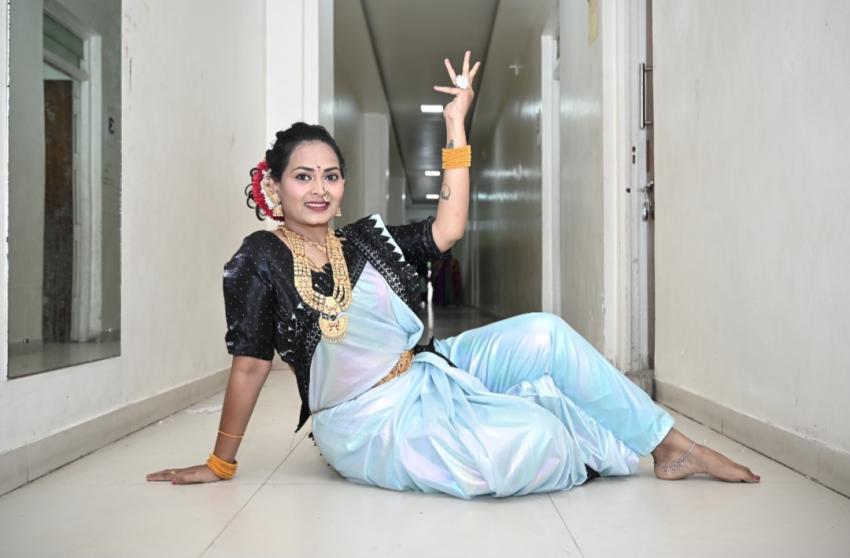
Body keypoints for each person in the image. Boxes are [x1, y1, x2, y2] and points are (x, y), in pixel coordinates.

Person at [148, 51, 758, 498]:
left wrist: (456, 125)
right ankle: (559, 431)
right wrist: (221, 463)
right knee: (534, 435)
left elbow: (449, 225)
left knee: (545, 333)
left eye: (330, 176)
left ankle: (672, 449)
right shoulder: (260, 256)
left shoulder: (363, 241)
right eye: (302, 176)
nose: (318, 189)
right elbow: (251, 365)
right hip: (368, 421)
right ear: (276, 187)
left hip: (424, 367)